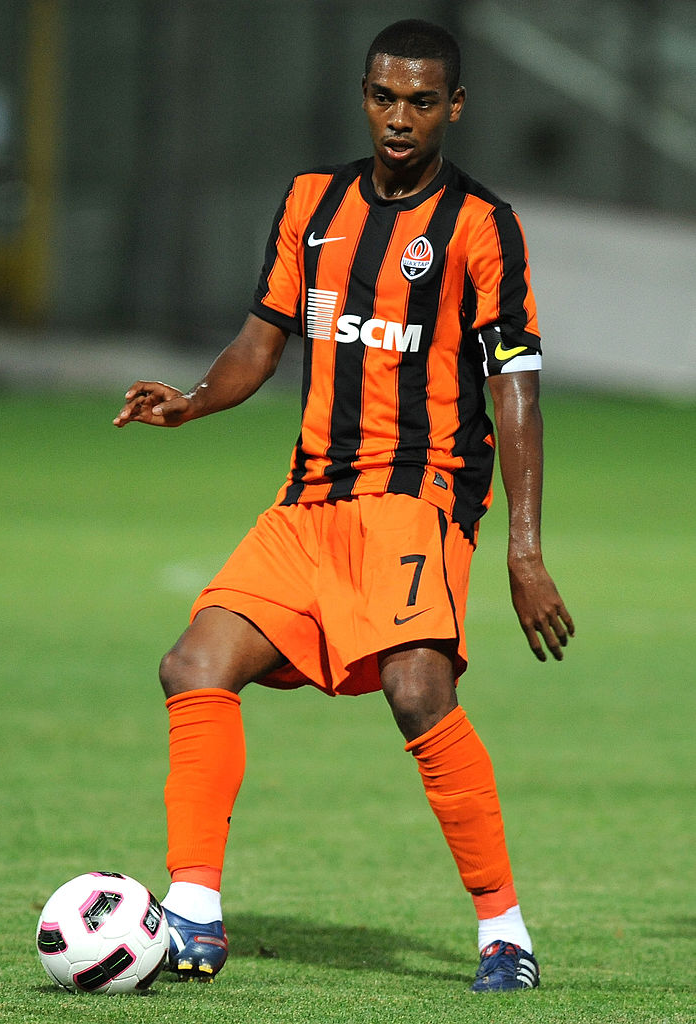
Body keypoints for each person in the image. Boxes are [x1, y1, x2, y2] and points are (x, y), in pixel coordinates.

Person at [114, 18, 574, 993]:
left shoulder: (481, 226)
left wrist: (524, 549)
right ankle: (192, 914)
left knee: (418, 691)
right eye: (384, 97)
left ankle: (505, 933)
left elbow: (516, 383)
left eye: (421, 102)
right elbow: (261, 340)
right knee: (193, 664)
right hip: (312, 497)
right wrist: (193, 401)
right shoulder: (311, 203)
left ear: (455, 107)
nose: (400, 118)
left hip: (419, 494)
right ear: (364, 96)